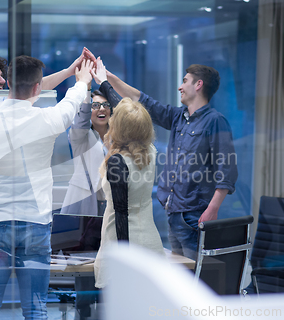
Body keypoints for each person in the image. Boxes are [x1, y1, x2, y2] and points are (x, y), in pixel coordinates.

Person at [0, 56, 93, 319]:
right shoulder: (48, 119)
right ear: (37, 88)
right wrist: (82, 79)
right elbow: (73, 101)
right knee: (36, 309)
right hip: (36, 227)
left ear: (8, 83)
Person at [89, 53, 238, 260]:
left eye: (185, 81)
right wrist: (107, 78)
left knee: (195, 279)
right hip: (174, 214)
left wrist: (212, 210)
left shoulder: (215, 121)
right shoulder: (178, 117)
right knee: (178, 278)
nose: (180, 86)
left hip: (195, 215)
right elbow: (140, 100)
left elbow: (227, 170)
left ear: (199, 85)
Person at [93, 97, 165, 288]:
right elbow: (133, 116)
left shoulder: (118, 162)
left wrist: (123, 260)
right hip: (150, 243)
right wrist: (105, 82)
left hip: (124, 247)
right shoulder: (150, 151)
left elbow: (121, 214)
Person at [61, 81, 121, 216]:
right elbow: (82, 118)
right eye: (95, 105)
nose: (102, 109)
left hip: (111, 203)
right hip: (85, 201)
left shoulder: (118, 138)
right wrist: (87, 90)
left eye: (106, 105)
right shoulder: (80, 135)